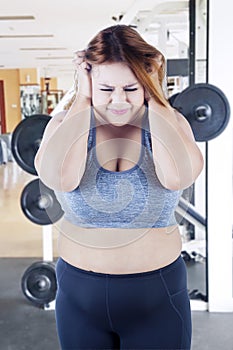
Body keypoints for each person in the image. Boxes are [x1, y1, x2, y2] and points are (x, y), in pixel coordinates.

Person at [35, 24, 204, 350]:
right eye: (105, 88)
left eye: (130, 88)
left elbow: (177, 177)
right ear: (89, 82)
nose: (118, 101)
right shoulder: (64, 124)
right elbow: (60, 179)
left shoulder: (171, 122)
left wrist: (155, 95)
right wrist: (83, 99)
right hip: (79, 298)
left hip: (158, 296)